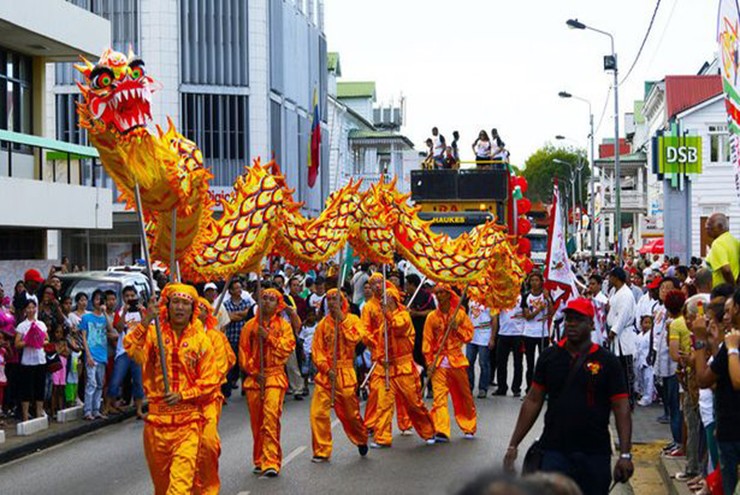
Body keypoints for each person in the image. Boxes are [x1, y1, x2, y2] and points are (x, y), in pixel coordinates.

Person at [503, 297, 634, 495]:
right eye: (569, 319)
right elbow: (533, 400)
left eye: (578, 319)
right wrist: (513, 445)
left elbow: (621, 407)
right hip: (555, 451)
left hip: (595, 453)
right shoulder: (549, 357)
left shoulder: (608, 362)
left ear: (591, 324)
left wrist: (625, 454)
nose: (571, 324)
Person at [125, 283, 220, 494]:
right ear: (166, 306)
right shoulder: (153, 334)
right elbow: (132, 349)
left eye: (185, 303)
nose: (179, 307)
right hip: (157, 424)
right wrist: (146, 320)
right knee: (162, 488)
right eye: (175, 302)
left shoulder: (201, 341)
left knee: (179, 489)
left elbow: (210, 381)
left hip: (188, 423)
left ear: (192, 309)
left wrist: (183, 395)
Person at [370, 278, 436, 448]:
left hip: (404, 367)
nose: (384, 301)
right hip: (388, 368)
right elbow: (379, 342)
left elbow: (399, 328)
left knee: (414, 403)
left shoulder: (403, 316)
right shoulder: (384, 320)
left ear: (394, 300)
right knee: (384, 403)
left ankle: (428, 431)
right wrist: (379, 358)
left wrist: (388, 315)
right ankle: (382, 437)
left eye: (387, 298)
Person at [238, 288, 296, 477]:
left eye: (271, 299)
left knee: (271, 418)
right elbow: (243, 352)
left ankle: (271, 461)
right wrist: (254, 372)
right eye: (264, 298)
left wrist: (269, 338)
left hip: (275, 376)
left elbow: (287, 349)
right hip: (255, 379)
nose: (267, 302)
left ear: (277, 304)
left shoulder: (284, 326)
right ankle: (260, 458)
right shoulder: (249, 326)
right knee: (258, 421)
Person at [309, 289, 369, 462]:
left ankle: (361, 438)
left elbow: (357, 339)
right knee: (318, 413)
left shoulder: (353, 320)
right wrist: (326, 368)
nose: (332, 302)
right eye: (328, 299)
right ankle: (321, 450)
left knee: (351, 415)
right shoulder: (322, 325)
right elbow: (317, 350)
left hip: (346, 372)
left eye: (335, 299)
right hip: (326, 374)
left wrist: (342, 320)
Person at [694, 287, 740, 495]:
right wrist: (714, 346)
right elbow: (717, 379)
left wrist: (700, 341)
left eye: (729, 311)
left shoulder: (733, 343)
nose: (726, 317)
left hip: (732, 431)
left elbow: (704, 379)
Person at [424, 284, 477, 441]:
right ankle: (441, 429)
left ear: (448, 295)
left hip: (457, 361)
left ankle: (468, 426)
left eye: (442, 293)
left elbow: (468, 336)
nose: (439, 296)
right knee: (439, 397)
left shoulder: (459, 315)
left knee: (463, 396)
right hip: (438, 362)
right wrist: (429, 363)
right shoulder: (431, 317)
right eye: (437, 293)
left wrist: (456, 329)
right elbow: (427, 342)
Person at [194, 296, 236, 495]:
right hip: (184, 403)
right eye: (196, 308)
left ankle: (208, 487)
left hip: (209, 398)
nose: (198, 312)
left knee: (208, 442)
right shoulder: (180, 338)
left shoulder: (216, 337)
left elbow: (220, 367)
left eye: (203, 308)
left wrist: (196, 388)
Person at [105, 286, 145, 419]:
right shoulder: (120, 311)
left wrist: (141, 312)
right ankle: (109, 405)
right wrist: (124, 313)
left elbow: (148, 326)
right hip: (123, 350)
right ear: (123, 298)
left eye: (132, 296)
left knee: (138, 381)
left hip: (138, 351)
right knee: (116, 379)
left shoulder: (142, 310)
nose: (130, 298)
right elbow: (119, 328)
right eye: (127, 296)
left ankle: (139, 409)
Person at [80, 290, 116, 420]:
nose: (99, 302)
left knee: (100, 383)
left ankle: (96, 410)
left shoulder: (104, 317)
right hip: (92, 354)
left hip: (102, 354)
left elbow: (112, 330)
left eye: (101, 300)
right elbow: (84, 337)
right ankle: (87, 411)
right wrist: (88, 355)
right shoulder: (86, 318)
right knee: (91, 383)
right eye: (97, 299)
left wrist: (105, 312)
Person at [606, 267, 637, 407]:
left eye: (610, 277)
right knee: (617, 371)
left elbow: (622, 316)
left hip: (623, 336)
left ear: (616, 278)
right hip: (616, 336)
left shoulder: (626, 294)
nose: (609, 280)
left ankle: (629, 400)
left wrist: (613, 332)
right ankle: (619, 398)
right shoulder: (614, 291)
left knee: (626, 371)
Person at [14, 299, 47, 421]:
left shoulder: (41, 324)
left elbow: (46, 340)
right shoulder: (22, 326)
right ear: (25, 310)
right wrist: (28, 342)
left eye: (33, 307)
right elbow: (17, 344)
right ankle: (25, 416)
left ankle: (39, 414)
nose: (31, 310)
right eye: (29, 308)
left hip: (40, 359)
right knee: (26, 389)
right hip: (27, 361)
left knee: (40, 387)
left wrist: (39, 342)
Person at [522, 273, 551, 392]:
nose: (534, 283)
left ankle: (544, 388)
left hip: (542, 333)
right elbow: (527, 316)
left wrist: (548, 299)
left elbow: (552, 311)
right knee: (530, 363)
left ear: (541, 282)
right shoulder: (526, 297)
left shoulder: (545, 296)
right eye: (532, 280)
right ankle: (529, 388)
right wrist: (539, 309)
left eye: (537, 280)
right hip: (529, 333)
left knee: (544, 362)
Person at [223, 279, 251, 398]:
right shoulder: (226, 304)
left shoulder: (247, 302)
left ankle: (246, 387)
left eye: (240, 288)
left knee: (245, 364)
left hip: (245, 339)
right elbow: (229, 318)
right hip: (231, 337)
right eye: (236, 288)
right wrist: (241, 314)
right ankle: (228, 387)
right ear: (230, 291)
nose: (239, 290)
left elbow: (248, 315)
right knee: (231, 364)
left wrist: (236, 315)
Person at [494, 295, 525, 397]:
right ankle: (502, 387)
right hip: (503, 333)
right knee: (501, 362)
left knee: (518, 362)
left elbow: (526, 312)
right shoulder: (501, 296)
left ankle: (516, 388)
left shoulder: (522, 297)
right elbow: (495, 312)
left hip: (518, 334)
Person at [466, 299, 495, 398]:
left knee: (483, 363)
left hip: (484, 336)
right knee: (469, 362)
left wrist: (492, 338)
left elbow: (494, 319)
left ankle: (483, 388)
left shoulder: (489, 300)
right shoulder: (470, 299)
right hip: (471, 336)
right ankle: (469, 386)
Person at [704, 212, 740, 287]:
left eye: (709, 226)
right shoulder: (735, 241)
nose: (707, 229)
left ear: (720, 227)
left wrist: (733, 289)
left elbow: (726, 270)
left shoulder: (718, 243)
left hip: (722, 290)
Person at [634, 316, 655, 407]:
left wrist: (650, 358)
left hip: (648, 360)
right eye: (645, 323)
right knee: (640, 378)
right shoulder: (638, 336)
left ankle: (648, 397)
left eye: (649, 323)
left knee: (648, 379)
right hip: (639, 360)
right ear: (641, 324)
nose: (647, 325)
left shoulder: (652, 335)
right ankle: (642, 393)